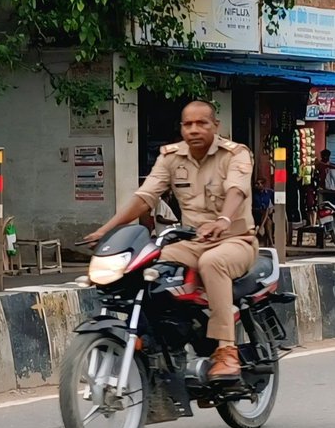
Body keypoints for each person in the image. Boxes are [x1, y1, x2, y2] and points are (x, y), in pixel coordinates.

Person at [84, 100, 256, 382]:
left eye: (201, 123)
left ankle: (226, 351)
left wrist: (223, 220)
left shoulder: (236, 154)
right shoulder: (171, 157)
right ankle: (149, 336)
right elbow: (145, 197)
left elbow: (236, 190)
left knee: (212, 262)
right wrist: (107, 229)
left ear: (215, 126)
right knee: (148, 265)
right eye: (188, 124)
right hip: (190, 242)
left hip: (235, 241)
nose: (194, 129)